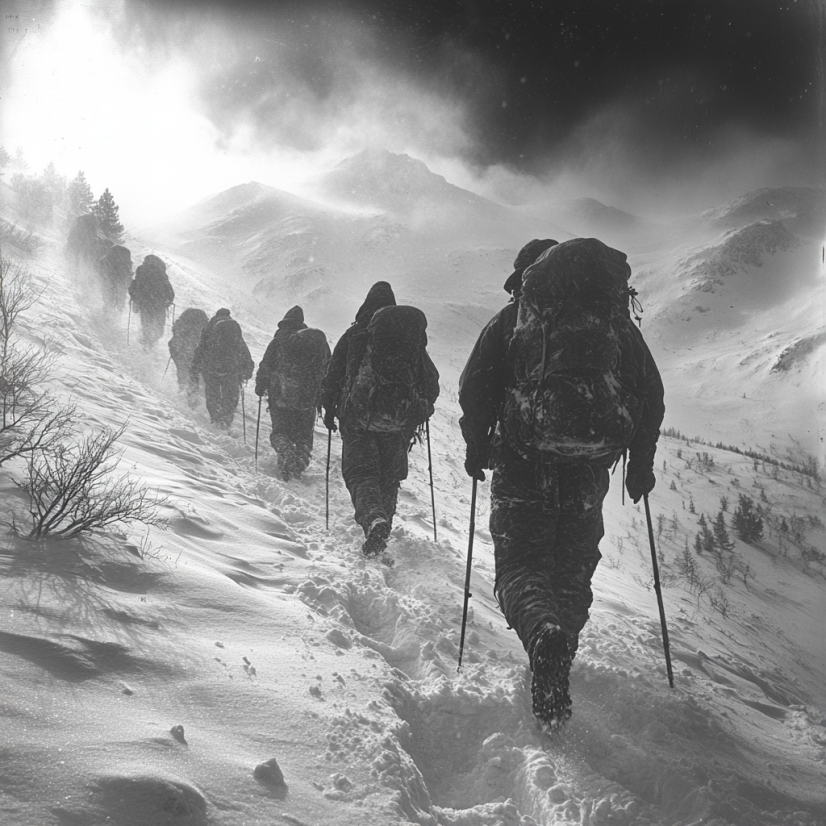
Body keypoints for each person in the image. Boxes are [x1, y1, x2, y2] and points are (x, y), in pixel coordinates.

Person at [458, 237, 665, 729]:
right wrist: (639, 464)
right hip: (589, 468)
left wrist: (476, 445)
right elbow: (649, 392)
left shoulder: (515, 319)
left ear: (527, 276)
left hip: (523, 460)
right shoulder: (612, 320)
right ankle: (558, 657)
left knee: (521, 564)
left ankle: (541, 633)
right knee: (572, 568)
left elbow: (475, 385)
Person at [321, 282, 440, 557]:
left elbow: (333, 374)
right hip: (398, 423)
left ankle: (374, 518)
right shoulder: (410, 341)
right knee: (389, 478)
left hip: (359, 419)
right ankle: (382, 524)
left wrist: (329, 409)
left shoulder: (355, 335)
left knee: (361, 473)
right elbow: (430, 382)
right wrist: (419, 409)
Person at [255, 306, 331, 480]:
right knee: (304, 433)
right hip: (308, 398)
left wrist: (260, 386)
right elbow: (329, 368)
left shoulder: (278, 341)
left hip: (280, 395)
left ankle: (286, 453)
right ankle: (299, 462)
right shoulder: (315, 343)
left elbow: (265, 366)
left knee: (280, 431)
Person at [191, 308, 254, 428]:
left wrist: (194, 367)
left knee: (212, 393)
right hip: (231, 367)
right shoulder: (234, 329)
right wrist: (247, 369)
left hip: (211, 366)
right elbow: (243, 349)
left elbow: (201, 349)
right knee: (230, 395)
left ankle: (215, 417)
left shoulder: (209, 328)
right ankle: (226, 419)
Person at [128, 254, 175, 349]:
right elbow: (168, 289)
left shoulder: (141, 270)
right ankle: (151, 341)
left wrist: (134, 296)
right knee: (159, 326)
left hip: (144, 303)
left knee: (146, 322)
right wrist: (169, 299)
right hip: (159, 304)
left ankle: (146, 341)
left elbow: (134, 285)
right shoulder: (161, 273)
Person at [168, 307, 209, 405]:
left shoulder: (181, 325)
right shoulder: (203, 329)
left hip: (182, 354)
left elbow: (175, 340)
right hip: (191, 356)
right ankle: (193, 398)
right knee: (194, 376)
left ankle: (184, 392)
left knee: (185, 374)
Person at [97, 244, 133, 312]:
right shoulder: (125, 260)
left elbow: (101, 271)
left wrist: (104, 279)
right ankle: (117, 315)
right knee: (120, 301)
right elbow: (129, 273)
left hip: (109, 282)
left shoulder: (105, 259)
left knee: (108, 300)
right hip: (121, 282)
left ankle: (108, 314)